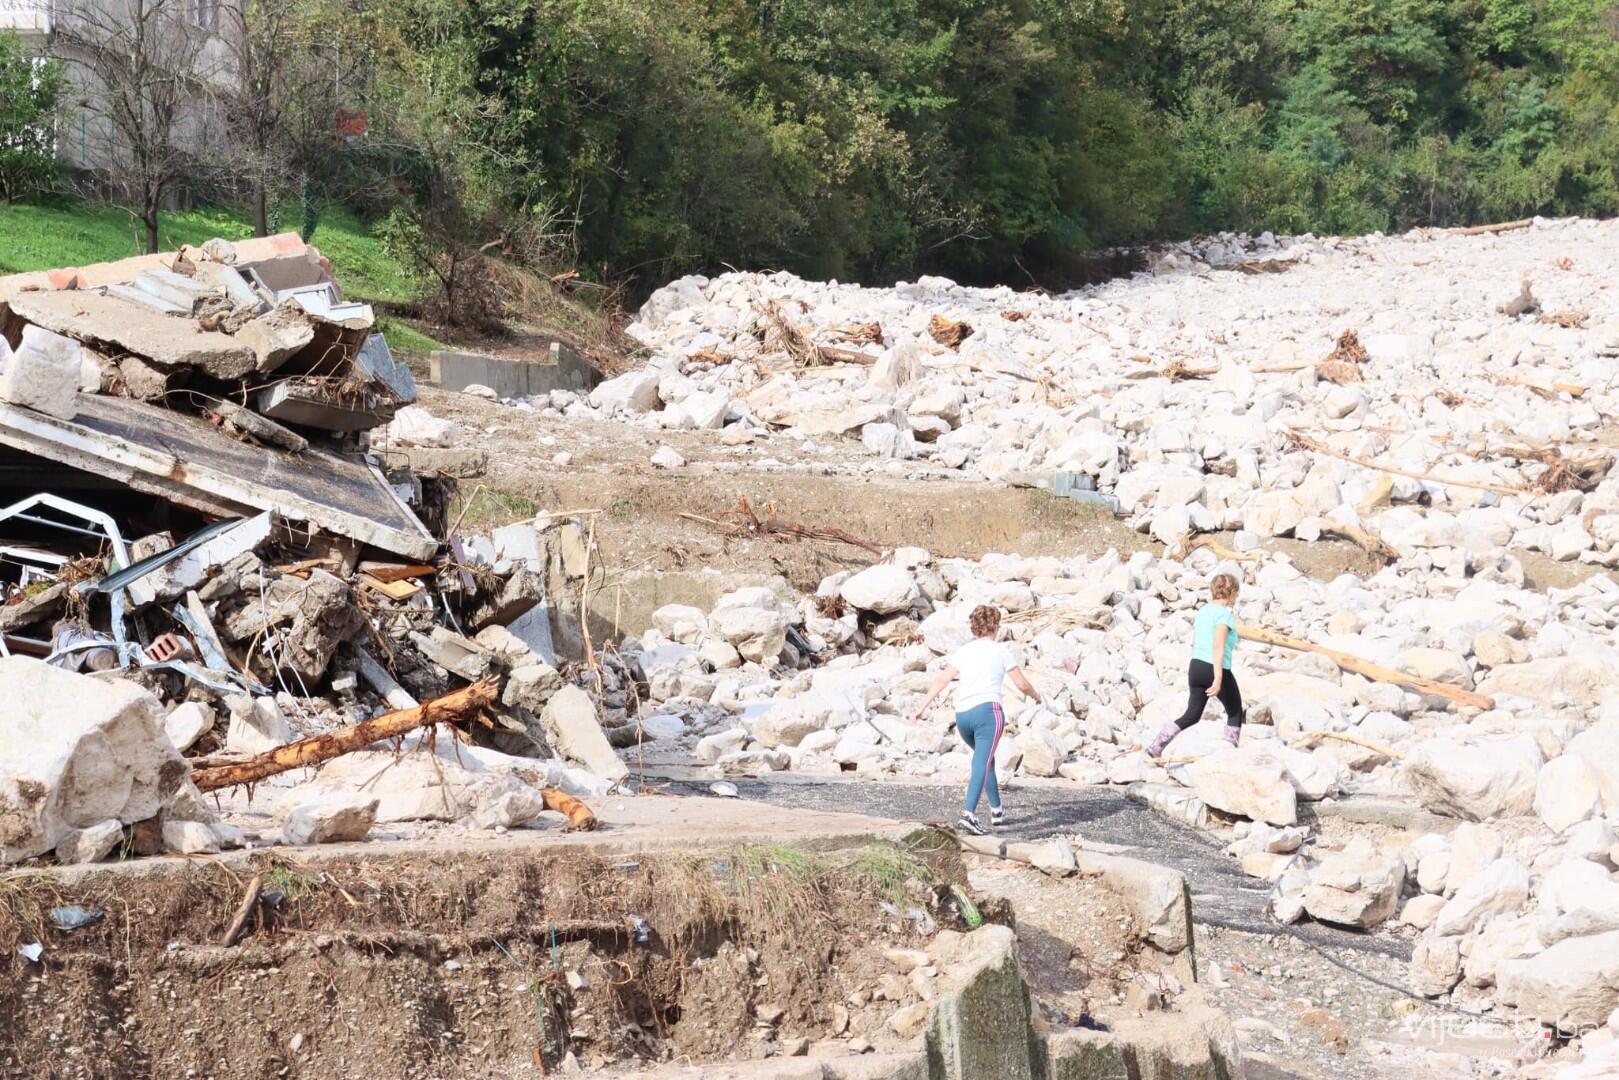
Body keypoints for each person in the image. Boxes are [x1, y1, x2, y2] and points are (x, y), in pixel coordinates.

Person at [909, 604, 1042, 836]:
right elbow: (1022, 684)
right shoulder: (1001, 650)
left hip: (963, 717)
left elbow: (942, 680)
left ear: (974, 628)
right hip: (988, 713)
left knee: (985, 758)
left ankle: (997, 809)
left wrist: (920, 708)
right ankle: (968, 815)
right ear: (996, 626)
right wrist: (1037, 697)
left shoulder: (964, 651)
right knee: (982, 761)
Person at [1147, 572, 1244, 757]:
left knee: (1192, 715)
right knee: (1235, 711)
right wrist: (1218, 678)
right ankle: (1229, 755)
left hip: (1196, 667)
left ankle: (1156, 746)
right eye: (1236, 593)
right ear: (1231, 593)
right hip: (1214, 668)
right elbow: (1218, 646)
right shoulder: (1224, 615)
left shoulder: (1204, 611)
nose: (1236, 598)